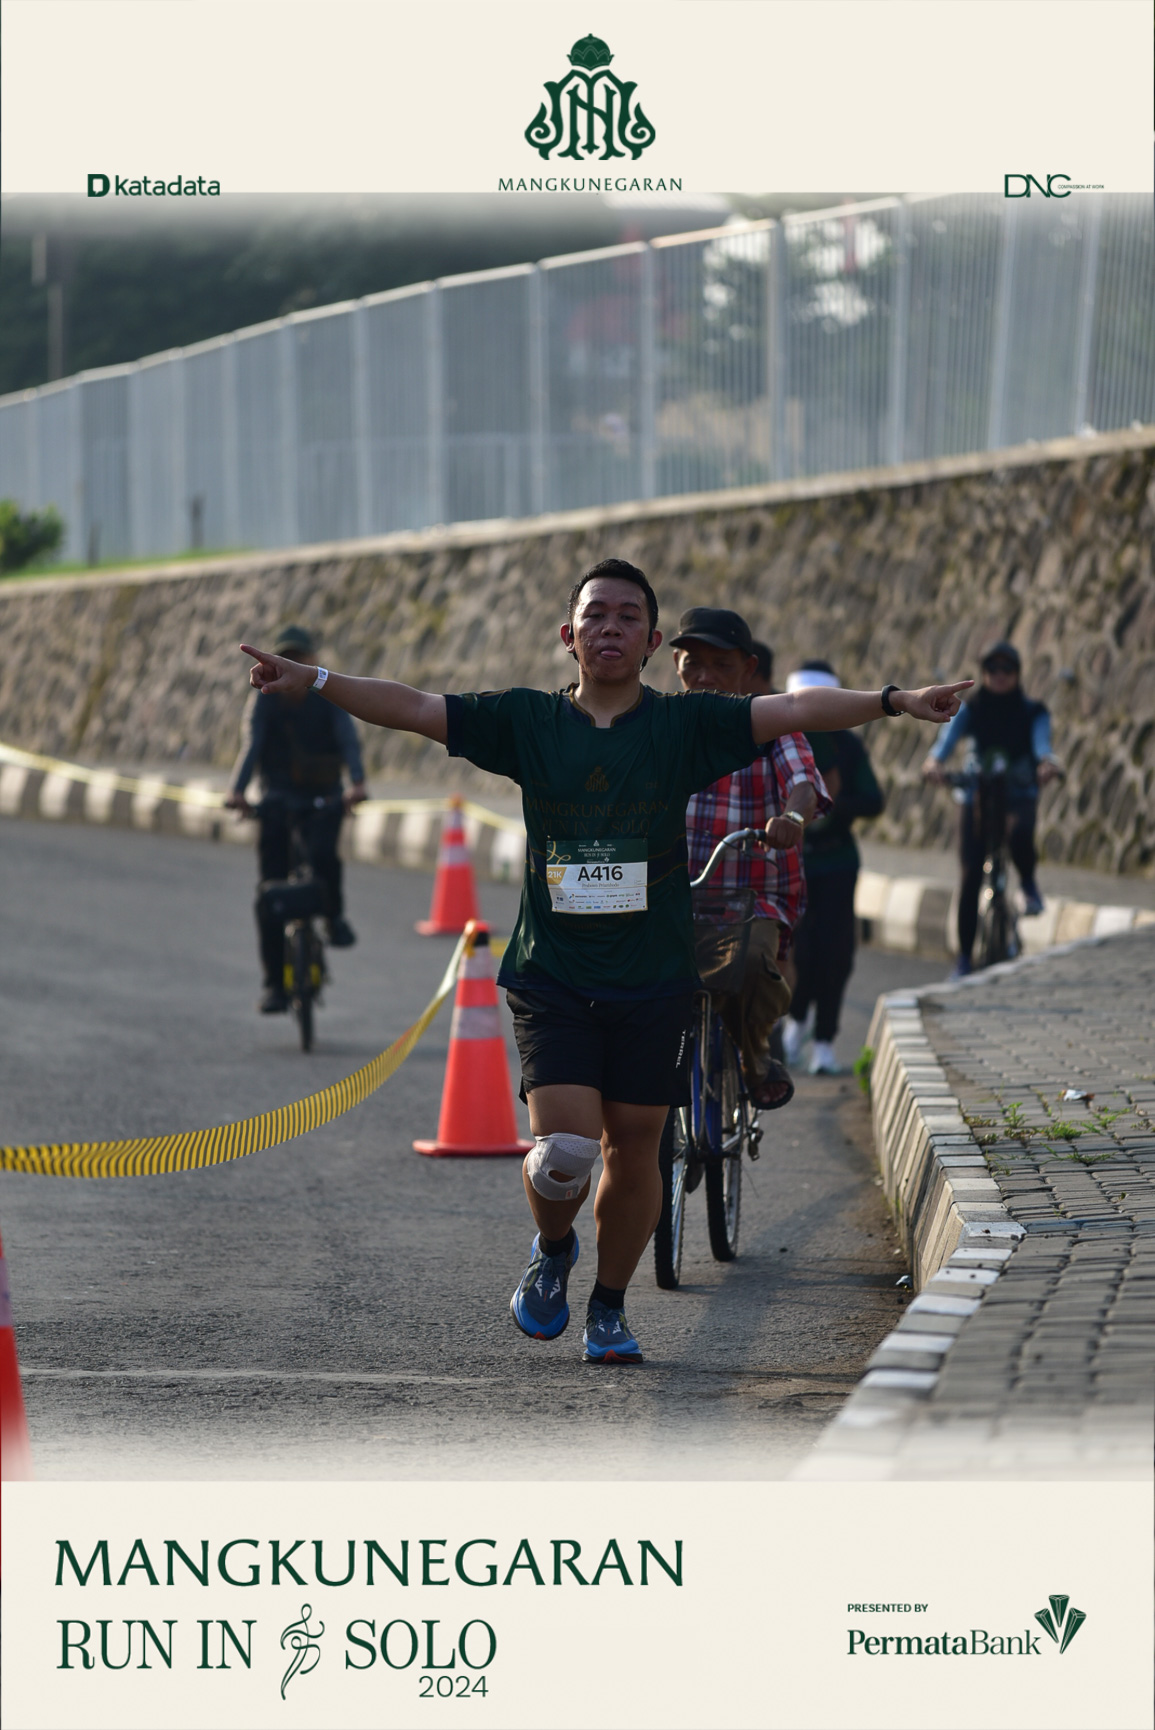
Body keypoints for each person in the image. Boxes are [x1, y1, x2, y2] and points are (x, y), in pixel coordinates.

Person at [239, 559, 969, 1364]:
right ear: (568, 635)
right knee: (564, 1152)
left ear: (651, 642)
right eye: (596, 615)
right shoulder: (525, 721)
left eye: (628, 617)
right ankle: (554, 1249)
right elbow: (413, 706)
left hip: (653, 977)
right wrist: (316, 680)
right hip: (551, 972)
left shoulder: (685, 727)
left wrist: (895, 700)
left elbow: (794, 709)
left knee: (635, 1146)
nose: (610, 627)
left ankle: (610, 1306)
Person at [671, 608, 830, 1109]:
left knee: (755, 966)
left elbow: (804, 782)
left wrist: (793, 816)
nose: (705, 676)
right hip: (673, 891)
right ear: (675, 665)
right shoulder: (662, 724)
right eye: (693, 663)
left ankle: (755, 1057)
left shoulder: (772, 725)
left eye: (721, 664)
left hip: (753, 895)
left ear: (748, 668)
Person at [225, 624, 368, 1013]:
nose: (291, 664)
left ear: (311, 661)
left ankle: (334, 917)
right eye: (285, 657)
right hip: (277, 799)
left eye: (298, 658)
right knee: (269, 889)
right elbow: (252, 744)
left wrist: (357, 783)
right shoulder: (265, 698)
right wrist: (238, 792)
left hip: (323, 797)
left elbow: (348, 740)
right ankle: (275, 984)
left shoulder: (327, 695)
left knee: (324, 856)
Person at [921, 639, 1061, 979]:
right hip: (976, 797)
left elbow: (1043, 744)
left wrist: (1046, 762)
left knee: (1020, 833)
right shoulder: (970, 709)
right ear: (982, 673)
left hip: (1017, 794)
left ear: (1018, 674)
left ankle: (1028, 885)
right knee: (970, 875)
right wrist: (934, 763)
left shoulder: (1033, 711)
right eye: (992, 668)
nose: (999, 675)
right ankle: (963, 958)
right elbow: (945, 744)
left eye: (1007, 669)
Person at [780, 660, 885, 1076]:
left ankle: (824, 1040)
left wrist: (830, 805)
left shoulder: (846, 746)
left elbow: (873, 800)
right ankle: (796, 1020)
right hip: (793, 861)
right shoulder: (778, 739)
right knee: (800, 951)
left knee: (836, 954)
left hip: (838, 861)